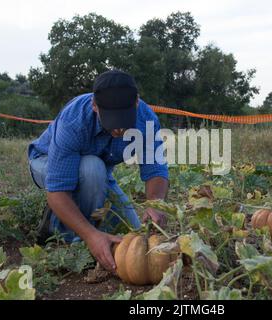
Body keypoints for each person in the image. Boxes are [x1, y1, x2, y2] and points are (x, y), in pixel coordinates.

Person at [27, 70, 169, 272]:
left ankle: (84, 228)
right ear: (95, 105)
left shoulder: (146, 119)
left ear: (136, 102)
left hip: (98, 172)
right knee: (91, 168)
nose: (119, 129)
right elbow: (57, 190)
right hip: (45, 162)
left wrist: (155, 204)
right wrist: (91, 236)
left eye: (124, 119)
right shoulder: (74, 119)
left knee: (135, 232)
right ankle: (71, 242)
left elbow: (156, 169)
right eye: (112, 119)